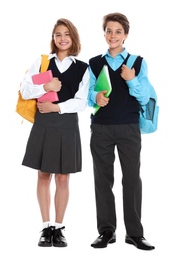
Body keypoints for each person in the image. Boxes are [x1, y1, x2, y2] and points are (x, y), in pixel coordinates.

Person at [88, 12, 156, 250]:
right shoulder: (95, 63)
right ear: (104, 33)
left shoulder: (137, 62)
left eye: (118, 31)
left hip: (128, 128)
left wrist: (131, 79)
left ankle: (135, 234)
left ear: (126, 35)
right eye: (109, 31)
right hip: (101, 128)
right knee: (102, 180)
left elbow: (144, 96)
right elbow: (88, 96)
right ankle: (106, 231)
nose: (113, 35)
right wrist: (95, 96)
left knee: (132, 179)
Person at [20, 18, 89, 247]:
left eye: (66, 34)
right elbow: (25, 89)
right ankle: (45, 226)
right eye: (58, 34)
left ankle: (59, 228)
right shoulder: (42, 62)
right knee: (43, 174)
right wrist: (45, 87)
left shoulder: (83, 68)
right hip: (44, 124)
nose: (62, 38)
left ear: (73, 38)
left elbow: (81, 102)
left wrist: (56, 107)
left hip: (67, 124)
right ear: (53, 38)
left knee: (62, 177)